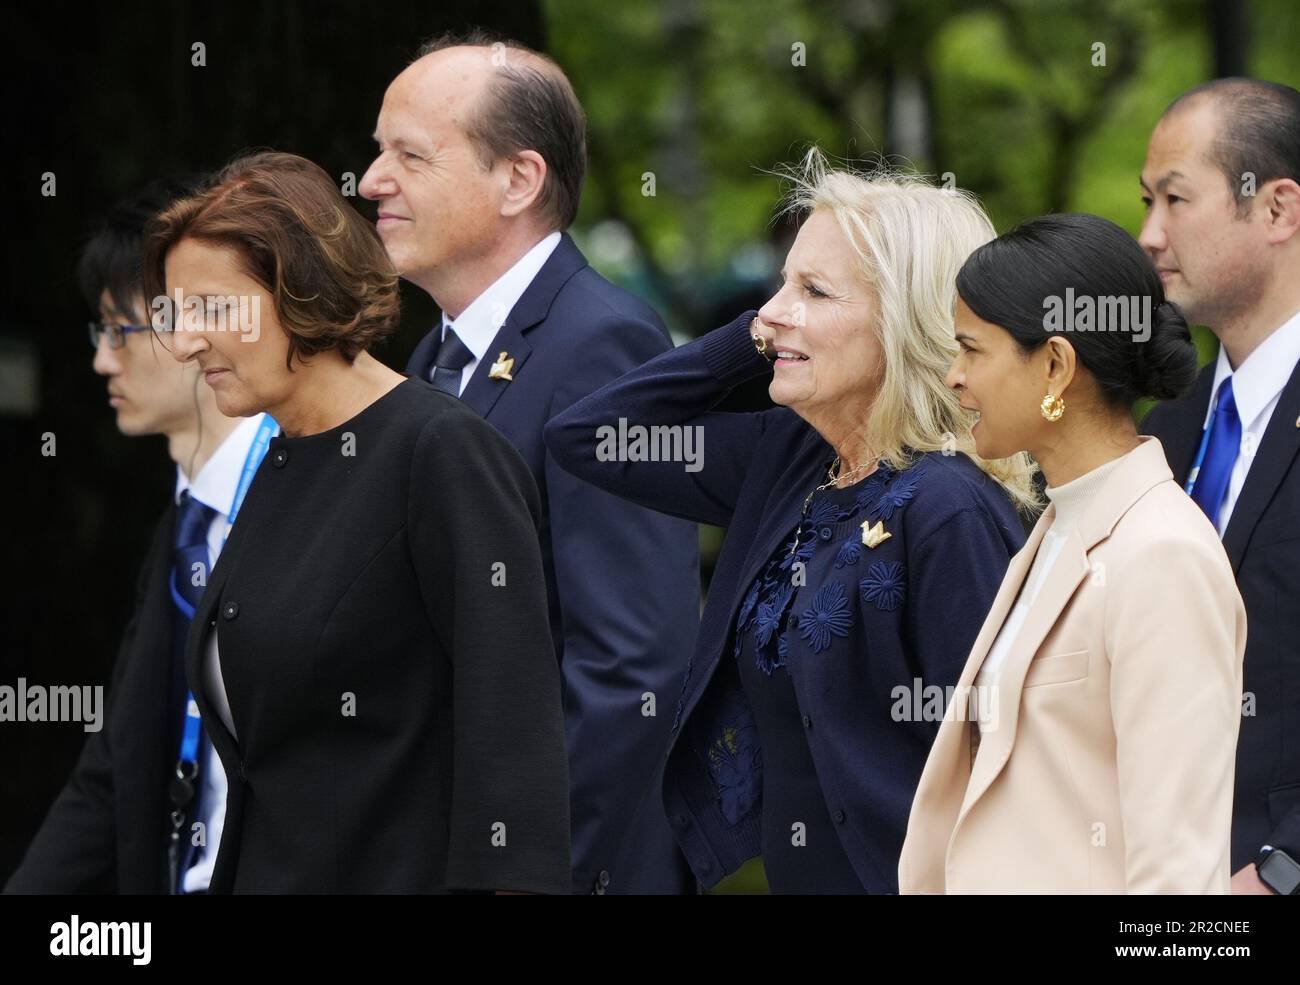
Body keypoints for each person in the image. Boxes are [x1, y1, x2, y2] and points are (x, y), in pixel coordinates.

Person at [546, 152, 1034, 893]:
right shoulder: (790, 458)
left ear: (905, 319)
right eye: (781, 282)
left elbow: (1004, 774)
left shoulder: (947, 507)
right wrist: (757, 332)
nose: (774, 310)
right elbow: (591, 434)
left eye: (814, 289)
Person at [142, 150, 571, 894]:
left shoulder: (440, 452)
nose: (184, 343)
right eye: (178, 316)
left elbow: (513, 749)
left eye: (213, 309)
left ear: (298, 288)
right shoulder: (284, 452)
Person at [359, 30, 699, 894]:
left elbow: (632, 662)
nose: (371, 181)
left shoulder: (602, 343)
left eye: (410, 154)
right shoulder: (433, 356)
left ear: (518, 179)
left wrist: (538, 871)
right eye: (376, 151)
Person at [899, 212, 1246, 894]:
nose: (953, 375)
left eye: (972, 349)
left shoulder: (1164, 552)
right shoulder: (1058, 523)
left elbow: (1178, 873)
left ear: (1055, 365)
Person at [6, 174, 274, 894]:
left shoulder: (303, 497)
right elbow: (112, 769)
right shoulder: (182, 525)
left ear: (194, 326)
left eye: (118, 330)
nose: (101, 360)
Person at [1139, 78, 1300, 896]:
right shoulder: (1168, 427)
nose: (1149, 234)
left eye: (1174, 199)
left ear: (1277, 210)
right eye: (1146, 201)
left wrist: (1281, 871)